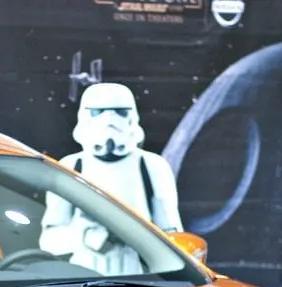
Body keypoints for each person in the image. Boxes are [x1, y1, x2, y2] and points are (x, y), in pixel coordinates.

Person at [39, 82, 182, 275]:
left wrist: (140, 238)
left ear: (132, 116)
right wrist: (86, 235)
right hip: (84, 279)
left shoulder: (153, 166)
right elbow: (49, 240)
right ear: (85, 115)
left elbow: (174, 237)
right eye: (99, 112)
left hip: (143, 279)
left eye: (120, 112)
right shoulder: (71, 166)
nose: (109, 120)